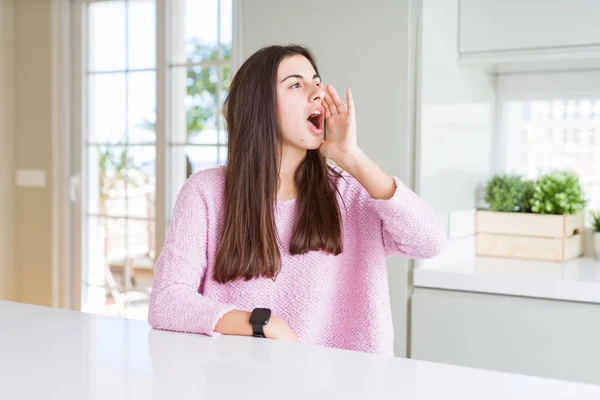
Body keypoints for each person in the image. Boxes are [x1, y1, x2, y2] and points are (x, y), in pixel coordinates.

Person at [148, 44, 446, 355]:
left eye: (316, 81)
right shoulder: (206, 192)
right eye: (295, 84)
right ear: (259, 106)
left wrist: (352, 158)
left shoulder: (350, 192)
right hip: (238, 380)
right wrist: (264, 324)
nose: (318, 92)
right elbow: (167, 301)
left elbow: (429, 242)